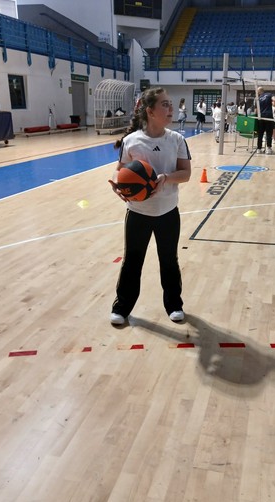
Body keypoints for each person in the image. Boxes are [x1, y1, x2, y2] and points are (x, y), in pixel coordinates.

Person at [108, 87, 192, 326]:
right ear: (150, 111)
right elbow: (120, 170)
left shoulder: (176, 140)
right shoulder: (131, 141)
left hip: (168, 212)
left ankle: (174, 304)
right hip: (138, 213)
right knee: (132, 261)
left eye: (170, 103)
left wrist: (166, 178)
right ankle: (122, 307)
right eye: (165, 104)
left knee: (169, 260)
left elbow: (186, 173)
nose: (171, 108)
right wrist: (117, 184)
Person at [256, 86, 275, 154]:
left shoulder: (258, 98)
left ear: (258, 92)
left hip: (261, 117)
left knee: (260, 134)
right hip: (268, 116)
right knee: (269, 133)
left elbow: (256, 110)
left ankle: (259, 149)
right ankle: (268, 149)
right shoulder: (269, 94)